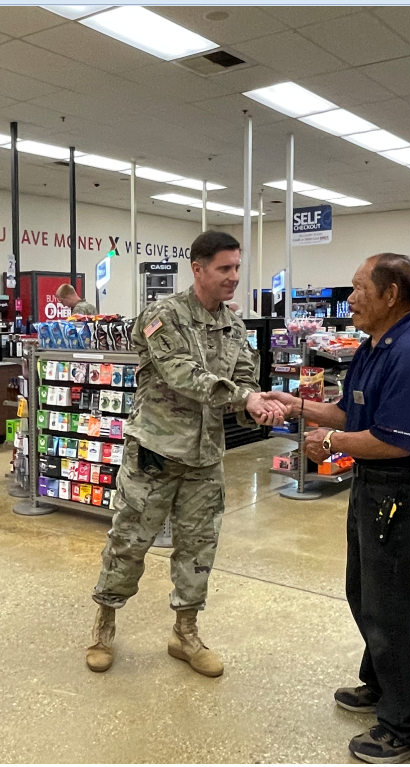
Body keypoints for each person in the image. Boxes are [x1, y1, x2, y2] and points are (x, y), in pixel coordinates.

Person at [263, 253, 410, 764]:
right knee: (364, 591)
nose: (351, 297)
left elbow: (395, 442)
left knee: (392, 607)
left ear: (390, 295)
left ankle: (407, 725)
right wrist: (296, 404)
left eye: (360, 287)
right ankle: (382, 685)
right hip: (373, 490)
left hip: (400, 493)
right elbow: (348, 412)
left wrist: (335, 440)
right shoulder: (374, 347)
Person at [86, 230, 287, 678]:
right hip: (156, 452)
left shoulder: (234, 326)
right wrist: (244, 398)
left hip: (205, 458)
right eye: (224, 269)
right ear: (198, 269)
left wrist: (259, 405)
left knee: (198, 548)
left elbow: (243, 378)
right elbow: (183, 374)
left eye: (237, 268)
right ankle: (104, 624)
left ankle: (185, 632)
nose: (234, 277)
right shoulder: (163, 316)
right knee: (129, 541)